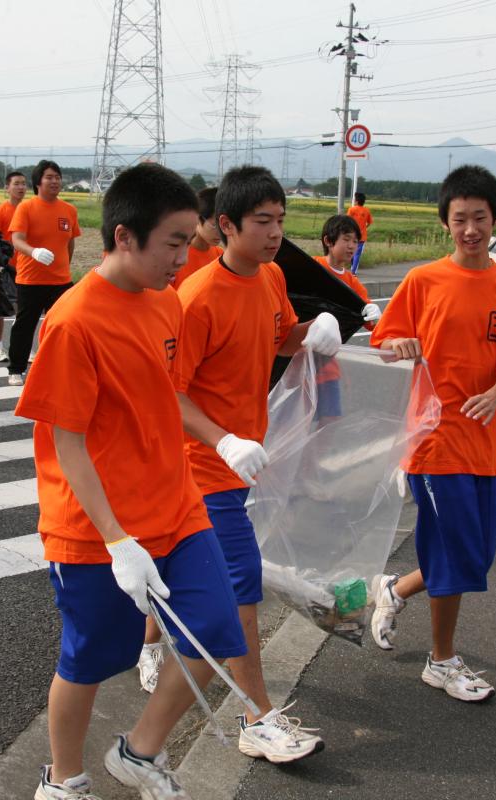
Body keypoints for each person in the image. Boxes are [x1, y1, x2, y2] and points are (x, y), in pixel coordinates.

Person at [14, 163, 248, 800]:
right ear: (124, 237)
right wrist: (118, 540)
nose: (184, 256)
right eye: (173, 243)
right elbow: (69, 444)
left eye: (188, 241)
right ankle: (63, 778)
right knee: (89, 661)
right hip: (94, 529)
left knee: (215, 629)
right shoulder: (73, 322)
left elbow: (168, 394)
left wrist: (221, 438)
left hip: (176, 508)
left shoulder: (166, 300)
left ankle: (139, 752)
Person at [161, 164, 339, 763]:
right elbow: (171, 392)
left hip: (237, 470)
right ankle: (256, 716)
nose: (274, 234)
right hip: (200, 468)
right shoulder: (198, 297)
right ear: (226, 226)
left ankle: (168, 668)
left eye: (281, 222)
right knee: (239, 589)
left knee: (211, 589)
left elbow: (280, 335)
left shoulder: (270, 279)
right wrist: (222, 441)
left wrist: (313, 332)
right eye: (263, 222)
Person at [368, 165, 496, 702]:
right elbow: (384, 340)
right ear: (445, 223)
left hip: (487, 441)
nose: (469, 229)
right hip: (434, 442)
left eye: (479, 218)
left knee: (477, 556)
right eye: (459, 219)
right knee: (458, 555)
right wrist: (400, 346)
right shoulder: (423, 281)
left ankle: (396, 587)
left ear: (495, 219)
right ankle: (441, 660)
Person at [6, 160, 80, 386]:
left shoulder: (69, 210)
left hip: (60, 280)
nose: (55, 181)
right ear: (38, 182)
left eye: (57, 177)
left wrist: (65, 265)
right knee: (25, 325)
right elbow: (16, 240)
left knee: (62, 326)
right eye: (49, 177)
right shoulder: (26, 208)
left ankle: (57, 367)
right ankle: (16, 369)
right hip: (31, 279)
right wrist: (34, 252)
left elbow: (70, 243)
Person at [0, 170, 28, 362]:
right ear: (7, 188)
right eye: (16, 183)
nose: (21, 187)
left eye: (23, 183)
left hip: (25, 266)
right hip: (4, 267)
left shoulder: (29, 209)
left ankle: (20, 347)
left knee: (23, 310)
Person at [315, 214, 380, 326]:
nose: (352, 246)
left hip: (334, 342)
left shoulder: (352, 283)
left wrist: (375, 315)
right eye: (346, 239)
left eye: (355, 241)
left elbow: (371, 322)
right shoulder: (313, 265)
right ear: (328, 241)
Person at [171, 186, 222, 289]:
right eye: (215, 225)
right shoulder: (177, 257)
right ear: (198, 219)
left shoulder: (221, 256)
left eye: (224, 225)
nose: (221, 232)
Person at [346, 191, 373, 273]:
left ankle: (352, 268)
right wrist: (365, 227)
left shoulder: (351, 209)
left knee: (351, 250)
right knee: (357, 253)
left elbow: (347, 221)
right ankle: (353, 271)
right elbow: (370, 222)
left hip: (351, 234)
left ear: (356, 201)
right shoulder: (367, 211)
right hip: (362, 235)